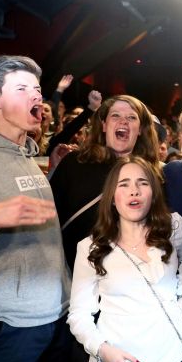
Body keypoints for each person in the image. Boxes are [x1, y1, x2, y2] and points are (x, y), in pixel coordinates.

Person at [0, 55, 72, 362]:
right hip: (4, 327)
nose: (36, 95)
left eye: (37, 88)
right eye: (22, 88)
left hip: (52, 317)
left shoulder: (25, 152)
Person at [68, 156, 182, 362]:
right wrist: (102, 351)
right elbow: (78, 315)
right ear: (113, 198)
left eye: (143, 183)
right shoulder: (90, 247)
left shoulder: (173, 226)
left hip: (169, 359)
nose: (134, 191)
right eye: (123, 184)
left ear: (153, 193)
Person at [50, 94, 160, 271]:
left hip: (125, 278)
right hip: (72, 272)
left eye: (131, 117)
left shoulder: (153, 175)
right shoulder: (74, 163)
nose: (123, 121)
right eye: (115, 115)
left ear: (140, 129)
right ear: (103, 125)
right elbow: (50, 216)